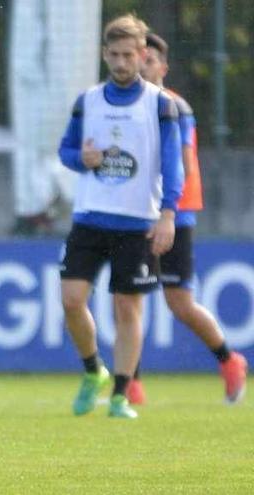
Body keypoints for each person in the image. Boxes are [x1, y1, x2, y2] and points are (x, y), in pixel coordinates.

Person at [57, 14, 184, 419]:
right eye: (114, 55)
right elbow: (66, 151)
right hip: (91, 216)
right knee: (71, 300)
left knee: (127, 309)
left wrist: (168, 213)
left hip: (136, 221)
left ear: (142, 54)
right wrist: (83, 158)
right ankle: (93, 369)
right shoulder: (88, 100)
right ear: (103, 55)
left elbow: (172, 163)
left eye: (129, 55)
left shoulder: (160, 105)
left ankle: (120, 395)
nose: (121, 63)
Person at [127, 32, 248, 405]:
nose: (140, 66)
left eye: (148, 60)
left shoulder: (174, 107)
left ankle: (229, 360)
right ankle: (130, 385)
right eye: (136, 59)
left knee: (179, 303)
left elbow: (180, 166)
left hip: (172, 217)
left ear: (162, 67)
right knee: (128, 297)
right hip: (134, 214)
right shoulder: (126, 106)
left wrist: (169, 212)